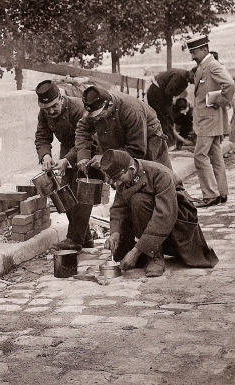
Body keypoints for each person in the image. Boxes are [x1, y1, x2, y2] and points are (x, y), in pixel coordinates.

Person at [100, 149, 218, 277]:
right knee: (137, 202)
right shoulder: (125, 178)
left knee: (138, 201)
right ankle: (146, 251)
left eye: (118, 178)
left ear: (131, 169)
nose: (117, 183)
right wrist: (115, 233)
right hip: (154, 222)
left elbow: (164, 216)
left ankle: (155, 257)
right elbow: (118, 207)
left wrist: (135, 252)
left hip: (176, 219)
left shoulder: (160, 174)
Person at [34, 80, 95, 251]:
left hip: (86, 150)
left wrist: (67, 160)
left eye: (54, 106)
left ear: (61, 98)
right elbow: (42, 136)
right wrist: (45, 154)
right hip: (68, 149)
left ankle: (74, 239)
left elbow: (87, 139)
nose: (51, 111)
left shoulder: (77, 108)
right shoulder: (44, 113)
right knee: (66, 193)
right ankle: (85, 238)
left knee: (83, 192)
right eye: (47, 109)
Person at [74, 85, 173, 174]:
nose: (95, 119)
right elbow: (83, 129)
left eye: (98, 116)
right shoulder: (95, 106)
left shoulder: (132, 111)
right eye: (92, 116)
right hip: (122, 140)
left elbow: (137, 149)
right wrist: (83, 156)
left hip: (148, 140)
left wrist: (106, 159)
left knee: (157, 177)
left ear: (109, 105)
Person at [186, 36, 235, 207]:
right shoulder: (204, 66)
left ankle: (210, 195)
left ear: (205, 49)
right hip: (209, 120)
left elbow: (229, 84)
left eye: (194, 51)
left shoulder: (212, 65)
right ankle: (221, 193)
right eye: (191, 52)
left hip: (208, 120)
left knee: (200, 156)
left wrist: (219, 101)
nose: (192, 55)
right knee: (215, 157)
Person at [145, 68, 193, 149]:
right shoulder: (180, 76)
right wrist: (185, 141)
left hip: (160, 93)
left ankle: (170, 143)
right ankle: (168, 145)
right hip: (157, 93)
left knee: (167, 118)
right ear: (193, 74)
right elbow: (168, 91)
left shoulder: (183, 79)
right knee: (164, 119)